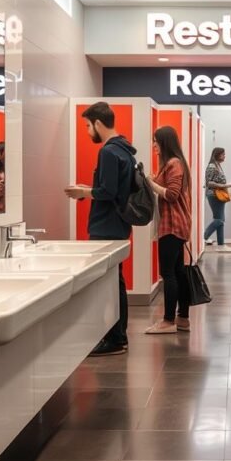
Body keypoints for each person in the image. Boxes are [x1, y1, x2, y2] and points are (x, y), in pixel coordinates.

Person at [64, 102, 137, 356]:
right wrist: (89, 189)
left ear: (97, 122)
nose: (87, 131)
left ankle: (116, 338)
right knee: (114, 281)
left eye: (87, 126)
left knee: (110, 284)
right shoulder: (125, 149)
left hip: (106, 225)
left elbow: (108, 192)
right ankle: (117, 336)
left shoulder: (108, 152)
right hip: (119, 224)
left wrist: (83, 191)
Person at [144, 126, 194, 334]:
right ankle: (182, 318)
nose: (153, 145)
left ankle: (168, 321)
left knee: (168, 273)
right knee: (179, 272)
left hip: (171, 225)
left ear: (164, 143)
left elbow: (171, 195)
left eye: (156, 141)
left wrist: (150, 182)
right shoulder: (174, 163)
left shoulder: (174, 163)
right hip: (177, 224)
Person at [203, 147, 231, 253]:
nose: (224, 156)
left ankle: (221, 245)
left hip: (218, 195)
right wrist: (226, 185)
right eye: (223, 154)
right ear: (217, 155)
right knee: (220, 220)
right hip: (214, 195)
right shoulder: (212, 166)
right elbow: (209, 183)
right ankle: (203, 237)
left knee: (220, 220)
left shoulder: (217, 165)